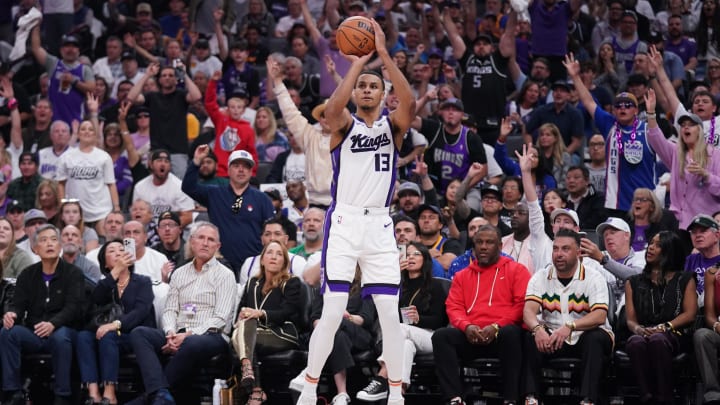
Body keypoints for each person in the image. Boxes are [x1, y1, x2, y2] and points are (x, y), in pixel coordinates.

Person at [295, 19, 415, 405]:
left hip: (380, 224)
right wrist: (357, 65)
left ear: (383, 95)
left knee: (390, 314)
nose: (365, 89)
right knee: (331, 312)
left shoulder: (392, 128)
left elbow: (409, 104)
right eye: (362, 85)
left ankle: (396, 394)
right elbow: (331, 110)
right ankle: (310, 388)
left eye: (373, 86)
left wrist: (382, 55)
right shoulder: (343, 126)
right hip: (344, 221)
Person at [129, 222, 237, 404]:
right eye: (201, 238)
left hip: (211, 336)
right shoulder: (179, 274)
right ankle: (160, 393)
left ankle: (148, 399)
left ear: (217, 247)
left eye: (211, 240)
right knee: (140, 333)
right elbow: (170, 309)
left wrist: (187, 335)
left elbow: (221, 319)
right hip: (178, 333)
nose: (205, 243)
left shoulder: (225, 275)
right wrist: (170, 333)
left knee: (192, 343)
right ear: (192, 242)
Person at [432, 225, 529, 405]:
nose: (483, 247)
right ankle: (455, 398)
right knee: (441, 336)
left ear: (500, 246)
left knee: (511, 333)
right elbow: (454, 307)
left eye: (489, 242)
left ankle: (511, 399)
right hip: (472, 335)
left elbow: (521, 306)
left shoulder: (516, 270)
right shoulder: (461, 275)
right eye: (479, 242)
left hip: (503, 336)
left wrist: (496, 326)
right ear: (473, 246)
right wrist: (466, 326)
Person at [522, 228, 614, 405]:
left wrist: (570, 326)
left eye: (565, 249)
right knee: (529, 336)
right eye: (555, 249)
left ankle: (588, 400)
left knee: (594, 338)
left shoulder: (594, 277)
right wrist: (537, 329)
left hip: (587, 336)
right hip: (554, 337)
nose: (559, 254)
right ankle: (532, 397)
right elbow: (528, 311)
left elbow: (599, 316)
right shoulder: (540, 277)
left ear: (578, 252)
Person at [0, 224, 86, 405]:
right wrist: (11, 314)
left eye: (54, 240)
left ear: (60, 246)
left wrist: (53, 324)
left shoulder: (73, 273)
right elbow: (17, 305)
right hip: (35, 333)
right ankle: (12, 393)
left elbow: (74, 308)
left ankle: (62, 395)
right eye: (44, 240)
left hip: (63, 331)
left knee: (61, 337)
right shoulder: (27, 274)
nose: (49, 244)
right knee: (8, 333)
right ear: (36, 249)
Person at [565, 53, 658, 216]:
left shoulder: (649, 129)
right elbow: (588, 102)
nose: (623, 108)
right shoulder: (609, 124)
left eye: (628, 105)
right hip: (616, 203)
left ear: (636, 110)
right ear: (614, 110)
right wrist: (575, 77)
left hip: (646, 204)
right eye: (618, 105)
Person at [356, 242, 448, 401]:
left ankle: (381, 377)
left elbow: (440, 321)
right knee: (405, 345)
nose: (411, 257)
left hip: (430, 337)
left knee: (400, 329)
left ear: (425, 260)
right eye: (408, 254)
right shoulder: (398, 286)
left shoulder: (435, 285)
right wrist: (394, 278)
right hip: (402, 337)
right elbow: (386, 313)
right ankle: (397, 395)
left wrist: (419, 319)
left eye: (416, 254)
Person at [76, 240, 156, 405]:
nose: (118, 252)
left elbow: (140, 312)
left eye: (122, 249)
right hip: (110, 335)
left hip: (135, 334)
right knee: (83, 336)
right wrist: (115, 272)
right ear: (105, 263)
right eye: (112, 251)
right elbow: (96, 300)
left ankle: (110, 394)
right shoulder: (104, 285)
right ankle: (93, 394)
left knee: (108, 336)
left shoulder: (143, 282)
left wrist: (115, 324)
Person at [624, 231, 696, 404]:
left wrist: (665, 327)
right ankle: (646, 396)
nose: (651, 247)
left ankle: (665, 397)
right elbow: (631, 320)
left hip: (674, 332)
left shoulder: (684, 279)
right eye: (651, 243)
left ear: (669, 251)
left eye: (658, 245)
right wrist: (639, 329)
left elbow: (690, 314)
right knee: (635, 342)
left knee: (657, 339)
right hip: (643, 332)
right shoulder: (633, 282)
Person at [182, 148, 275, 277]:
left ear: (251, 171)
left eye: (246, 166)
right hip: (220, 264)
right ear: (228, 170)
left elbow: (271, 232)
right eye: (236, 166)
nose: (241, 170)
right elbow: (188, 187)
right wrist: (197, 161)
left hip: (254, 265)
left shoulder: (263, 199)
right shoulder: (214, 193)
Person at [232, 240, 304, 404]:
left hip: (282, 332)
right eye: (270, 253)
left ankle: (249, 375)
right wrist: (241, 318)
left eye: (279, 254)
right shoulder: (252, 283)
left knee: (245, 332)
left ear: (284, 262)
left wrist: (260, 313)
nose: (274, 257)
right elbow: (241, 310)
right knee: (244, 326)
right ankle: (255, 387)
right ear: (262, 259)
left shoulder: (291, 282)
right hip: (254, 332)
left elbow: (287, 313)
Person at [645, 88, 720, 228]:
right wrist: (651, 114)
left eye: (691, 125)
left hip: (705, 223)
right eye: (683, 125)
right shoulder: (675, 152)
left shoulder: (715, 154)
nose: (686, 128)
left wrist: (705, 175)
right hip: (679, 222)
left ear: (700, 130)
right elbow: (656, 139)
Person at [126, 62, 203, 179]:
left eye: (171, 75)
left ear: (176, 79)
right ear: (159, 80)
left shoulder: (181, 95)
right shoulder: (152, 97)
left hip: (178, 151)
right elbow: (131, 97)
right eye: (164, 75)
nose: (167, 78)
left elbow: (197, 96)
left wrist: (184, 74)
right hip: (157, 150)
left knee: (181, 189)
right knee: (157, 187)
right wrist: (147, 75)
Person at [56, 115, 121, 230]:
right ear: (78, 133)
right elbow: (61, 184)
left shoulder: (104, 157)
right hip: (75, 212)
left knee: (106, 241)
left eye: (90, 129)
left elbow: (111, 184)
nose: (87, 132)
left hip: (102, 210)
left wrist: (116, 208)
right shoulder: (66, 157)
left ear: (94, 135)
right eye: (83, 129)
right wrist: (62, 205)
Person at [205, 70, 259, 178]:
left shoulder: (248, 129)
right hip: (219, 173)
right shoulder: (221, 120)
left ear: (243, 110)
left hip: (238, 174)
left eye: (239, 107)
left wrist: (252, 174)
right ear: (227, 109)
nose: (235, 110)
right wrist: (213, 82)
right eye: (232, 107)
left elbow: (251, 152)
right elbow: (210, 104)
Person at [581, 217, 646, 306]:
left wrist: (603, 260)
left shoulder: (641, 256)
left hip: (632, 312)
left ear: (626, 235)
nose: (608, 237)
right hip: (603, 312)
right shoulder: (594, 257)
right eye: (605, 235)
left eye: (613, 233)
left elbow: (637, 278)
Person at [239, 218, 307, 293]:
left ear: (286, 239)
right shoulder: (249, 263)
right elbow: (243, 294)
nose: (272, 238)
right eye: (267, 234)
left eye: (277, 234)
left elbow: (302, 295)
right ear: (262, 239)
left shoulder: (298, 262)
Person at [694, 255, 720, 404]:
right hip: (719, 328)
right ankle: (713, 394)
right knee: (702, 335)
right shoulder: (712, 273)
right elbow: (709, 316)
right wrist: (717, 326)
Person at [626, 188, 679, 252]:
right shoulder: (625, 227)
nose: (638, 202)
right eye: (636, 199)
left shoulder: (660, 230)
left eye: (643, 200)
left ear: (652, 207)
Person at [685, 214, 720, 296]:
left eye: (703, 231)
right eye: (693, 232)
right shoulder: (689, 260)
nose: (698, 235)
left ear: (717, 235)